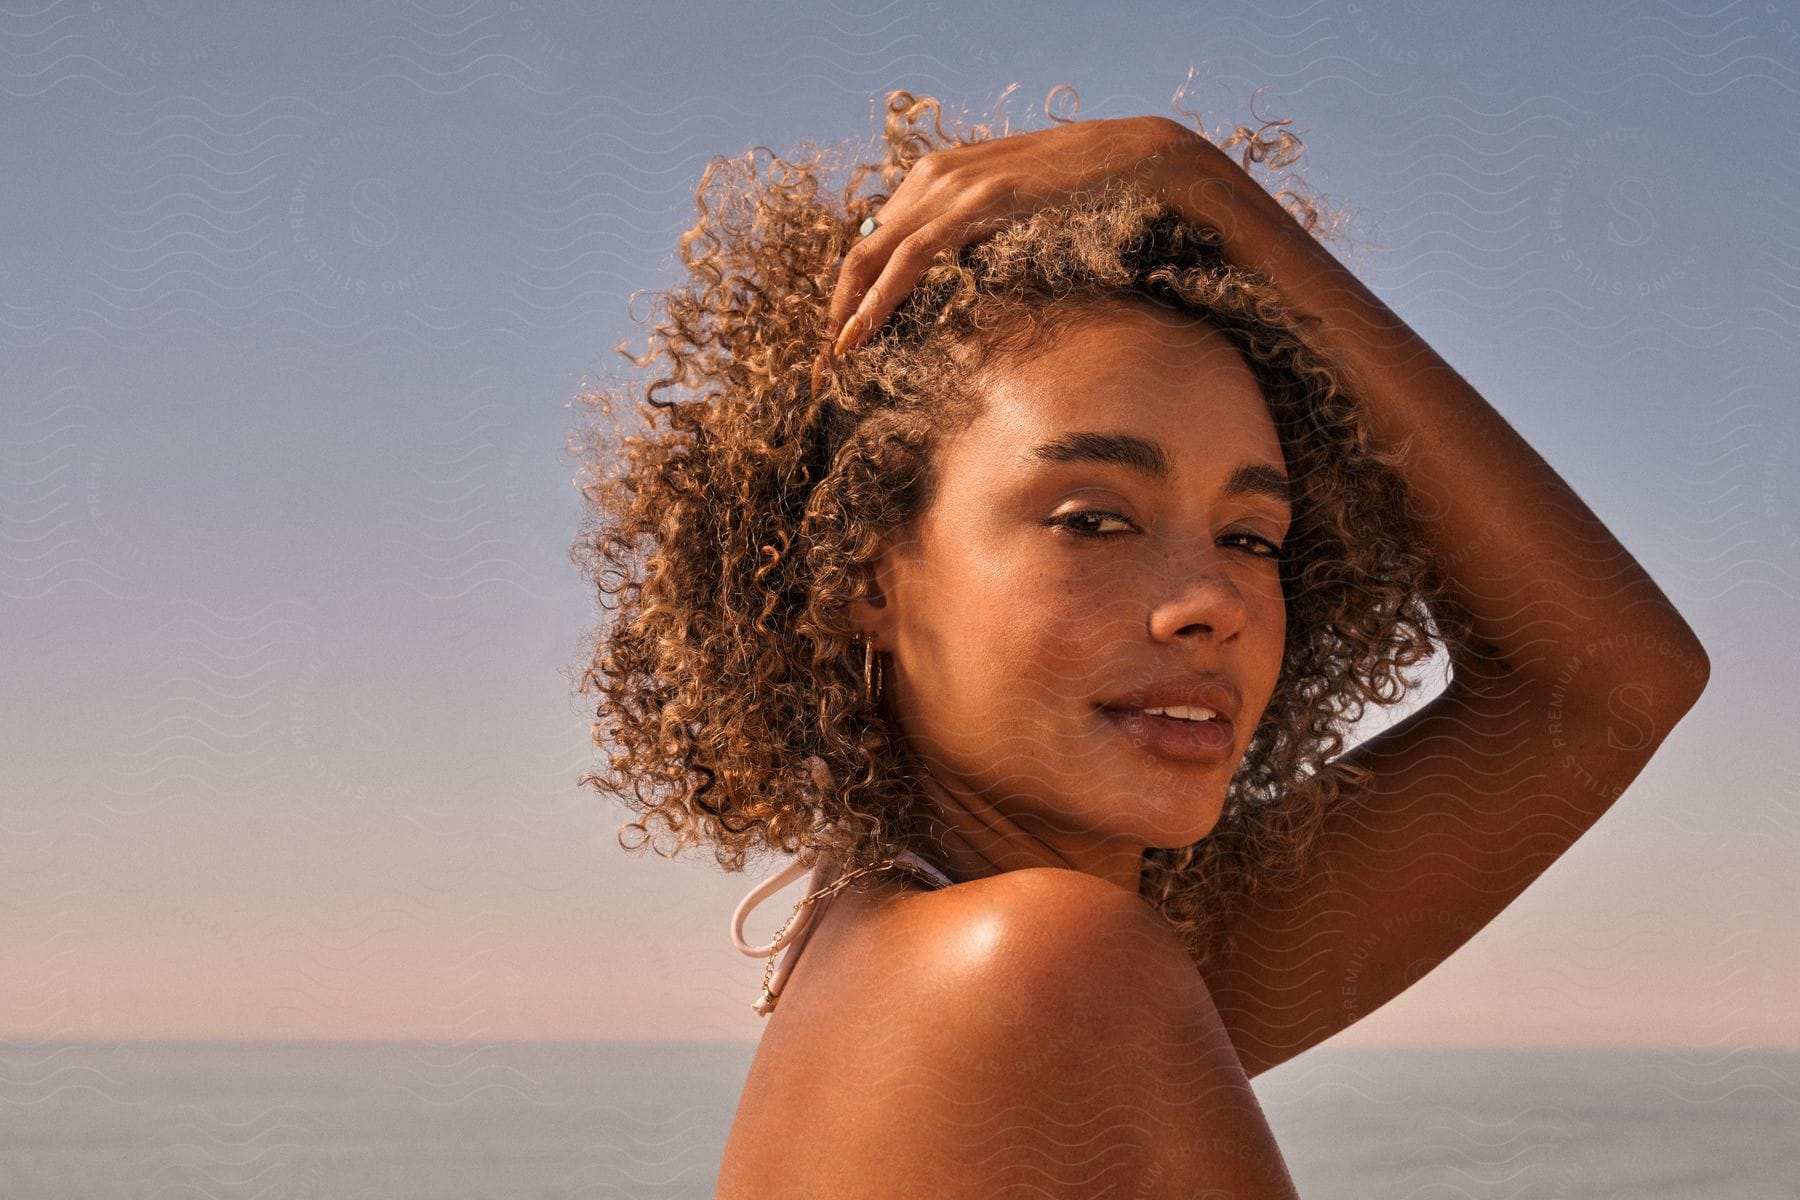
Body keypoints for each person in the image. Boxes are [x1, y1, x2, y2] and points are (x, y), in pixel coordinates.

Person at [569, 88, 1710, 1198]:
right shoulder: (1040, 963)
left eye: (1253, 534)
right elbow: (1608, 687)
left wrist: (1209, 195)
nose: (1207, 598)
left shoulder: (940, 946)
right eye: (1094, 519)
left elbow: (1610, 687)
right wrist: (1215, 196)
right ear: (863, 570)